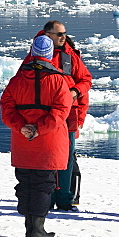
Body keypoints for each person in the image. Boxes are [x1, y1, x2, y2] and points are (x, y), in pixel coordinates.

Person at [1, 35, 73, 237]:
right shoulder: (58, 81)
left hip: (23, 142)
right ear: (50, 55)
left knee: (25, 183)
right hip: (48, 142)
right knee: (43, 185)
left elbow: (6, 108)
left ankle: (29, 227)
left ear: (32, 52)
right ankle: (38, 229)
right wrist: (39, 129)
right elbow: (61, 112)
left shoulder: (17, 80)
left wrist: (22, 127)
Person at [32, 20, 92, 211]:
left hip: (68, 116)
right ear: (47, 35)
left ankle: (65, 200)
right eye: (59, 34)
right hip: (44, 115)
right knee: (46, 156)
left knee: (67, 157)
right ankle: (46, 199)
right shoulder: (35, 55)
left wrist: (75, 92)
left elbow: (86, 81)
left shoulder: (70, 56)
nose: (63, 37)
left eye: (64, 33)